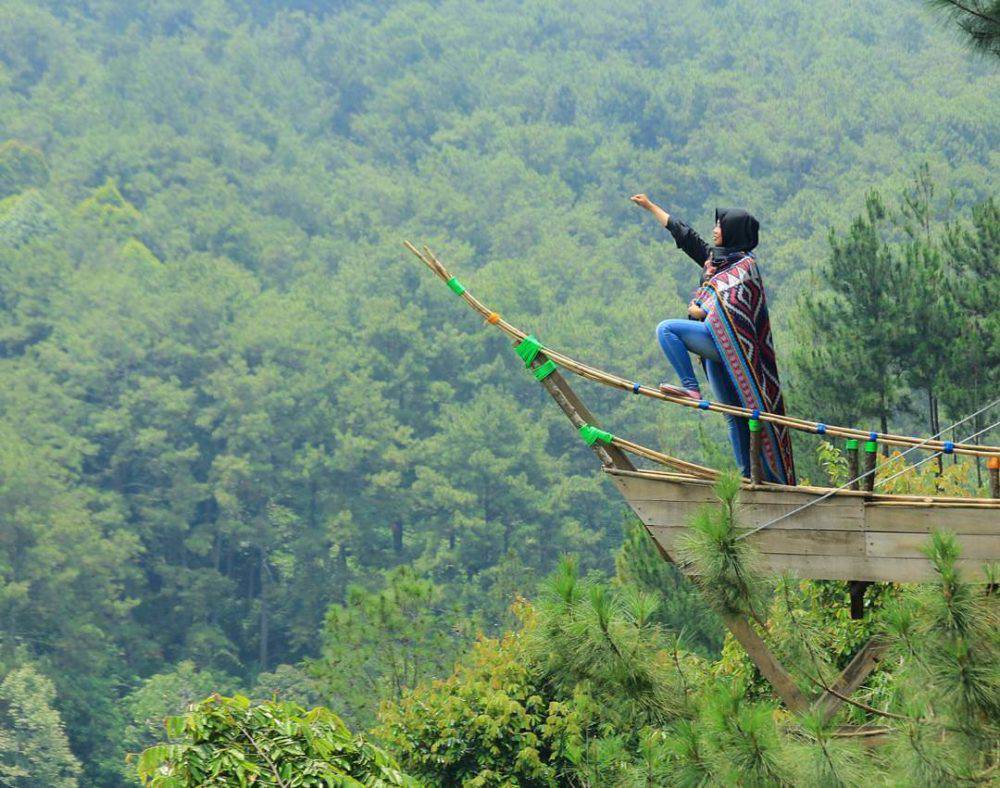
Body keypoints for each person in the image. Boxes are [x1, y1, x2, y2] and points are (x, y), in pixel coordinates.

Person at [630, 193, 796, 485]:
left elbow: (733, 304)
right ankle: (748, 478)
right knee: (734, 416)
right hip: (717, 350)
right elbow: (685, 236)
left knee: (667, 329)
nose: (715, 229)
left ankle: (691, 388)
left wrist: (702, 308)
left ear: (733, 230)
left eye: (720, 225)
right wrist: (651, 207)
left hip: (732, 345)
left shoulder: (745, 266)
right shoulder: (715, 261)